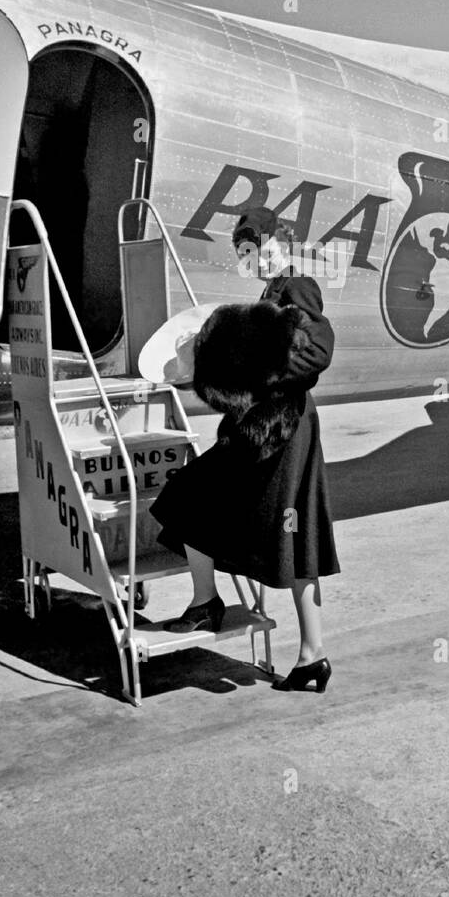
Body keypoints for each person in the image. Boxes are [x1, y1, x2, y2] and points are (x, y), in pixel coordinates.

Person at [149, 206, 339, 692]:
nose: (255, 259)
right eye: (247, 253)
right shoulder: (274, 290)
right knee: (199, 499)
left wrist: (256, 368)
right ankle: (221, 609)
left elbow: (315, 353)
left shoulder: (296, 284)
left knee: (285, 532)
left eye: (261, 248)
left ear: (283, 241)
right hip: (266, 430)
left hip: (284, 431)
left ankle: (222, 610)